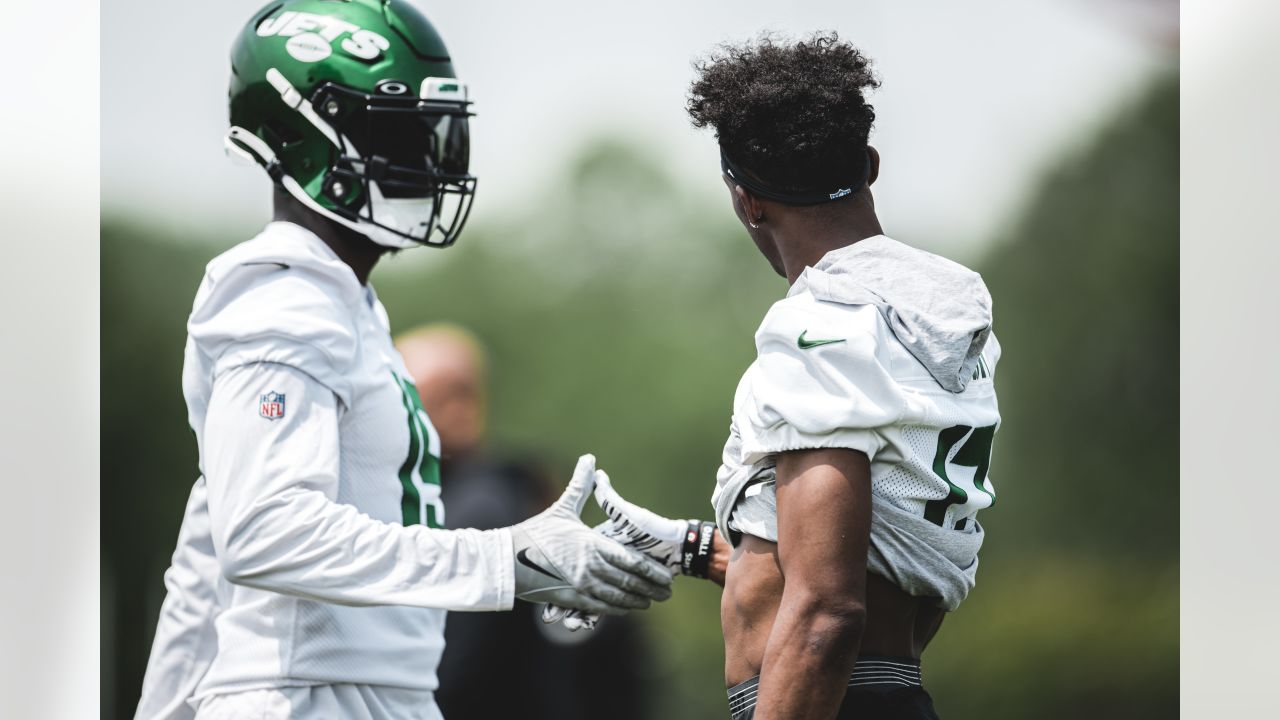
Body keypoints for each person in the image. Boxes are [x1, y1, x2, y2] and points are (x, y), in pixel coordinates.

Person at [133, 2, 673, 719]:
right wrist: (507, 559)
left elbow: (207, 552)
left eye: (431, 130)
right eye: (397, 130)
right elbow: (263, 534)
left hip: (360, 694)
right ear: (304, 136)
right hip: (307, 699)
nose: (428, 157)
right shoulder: (284, 302)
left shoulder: (340, 301)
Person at [554, 33, 1002, 720]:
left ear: (748, 201)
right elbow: (870, 556)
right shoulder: (929, 315)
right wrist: (696, 548)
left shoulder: (824, 324)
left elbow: (826, 613)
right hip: (885, 695)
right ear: (869, 166)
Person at [396, 323, 656, 720]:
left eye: (401, 395)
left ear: (456, 404)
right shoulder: (521, 496)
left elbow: (449, 674)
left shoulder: (478, 513)